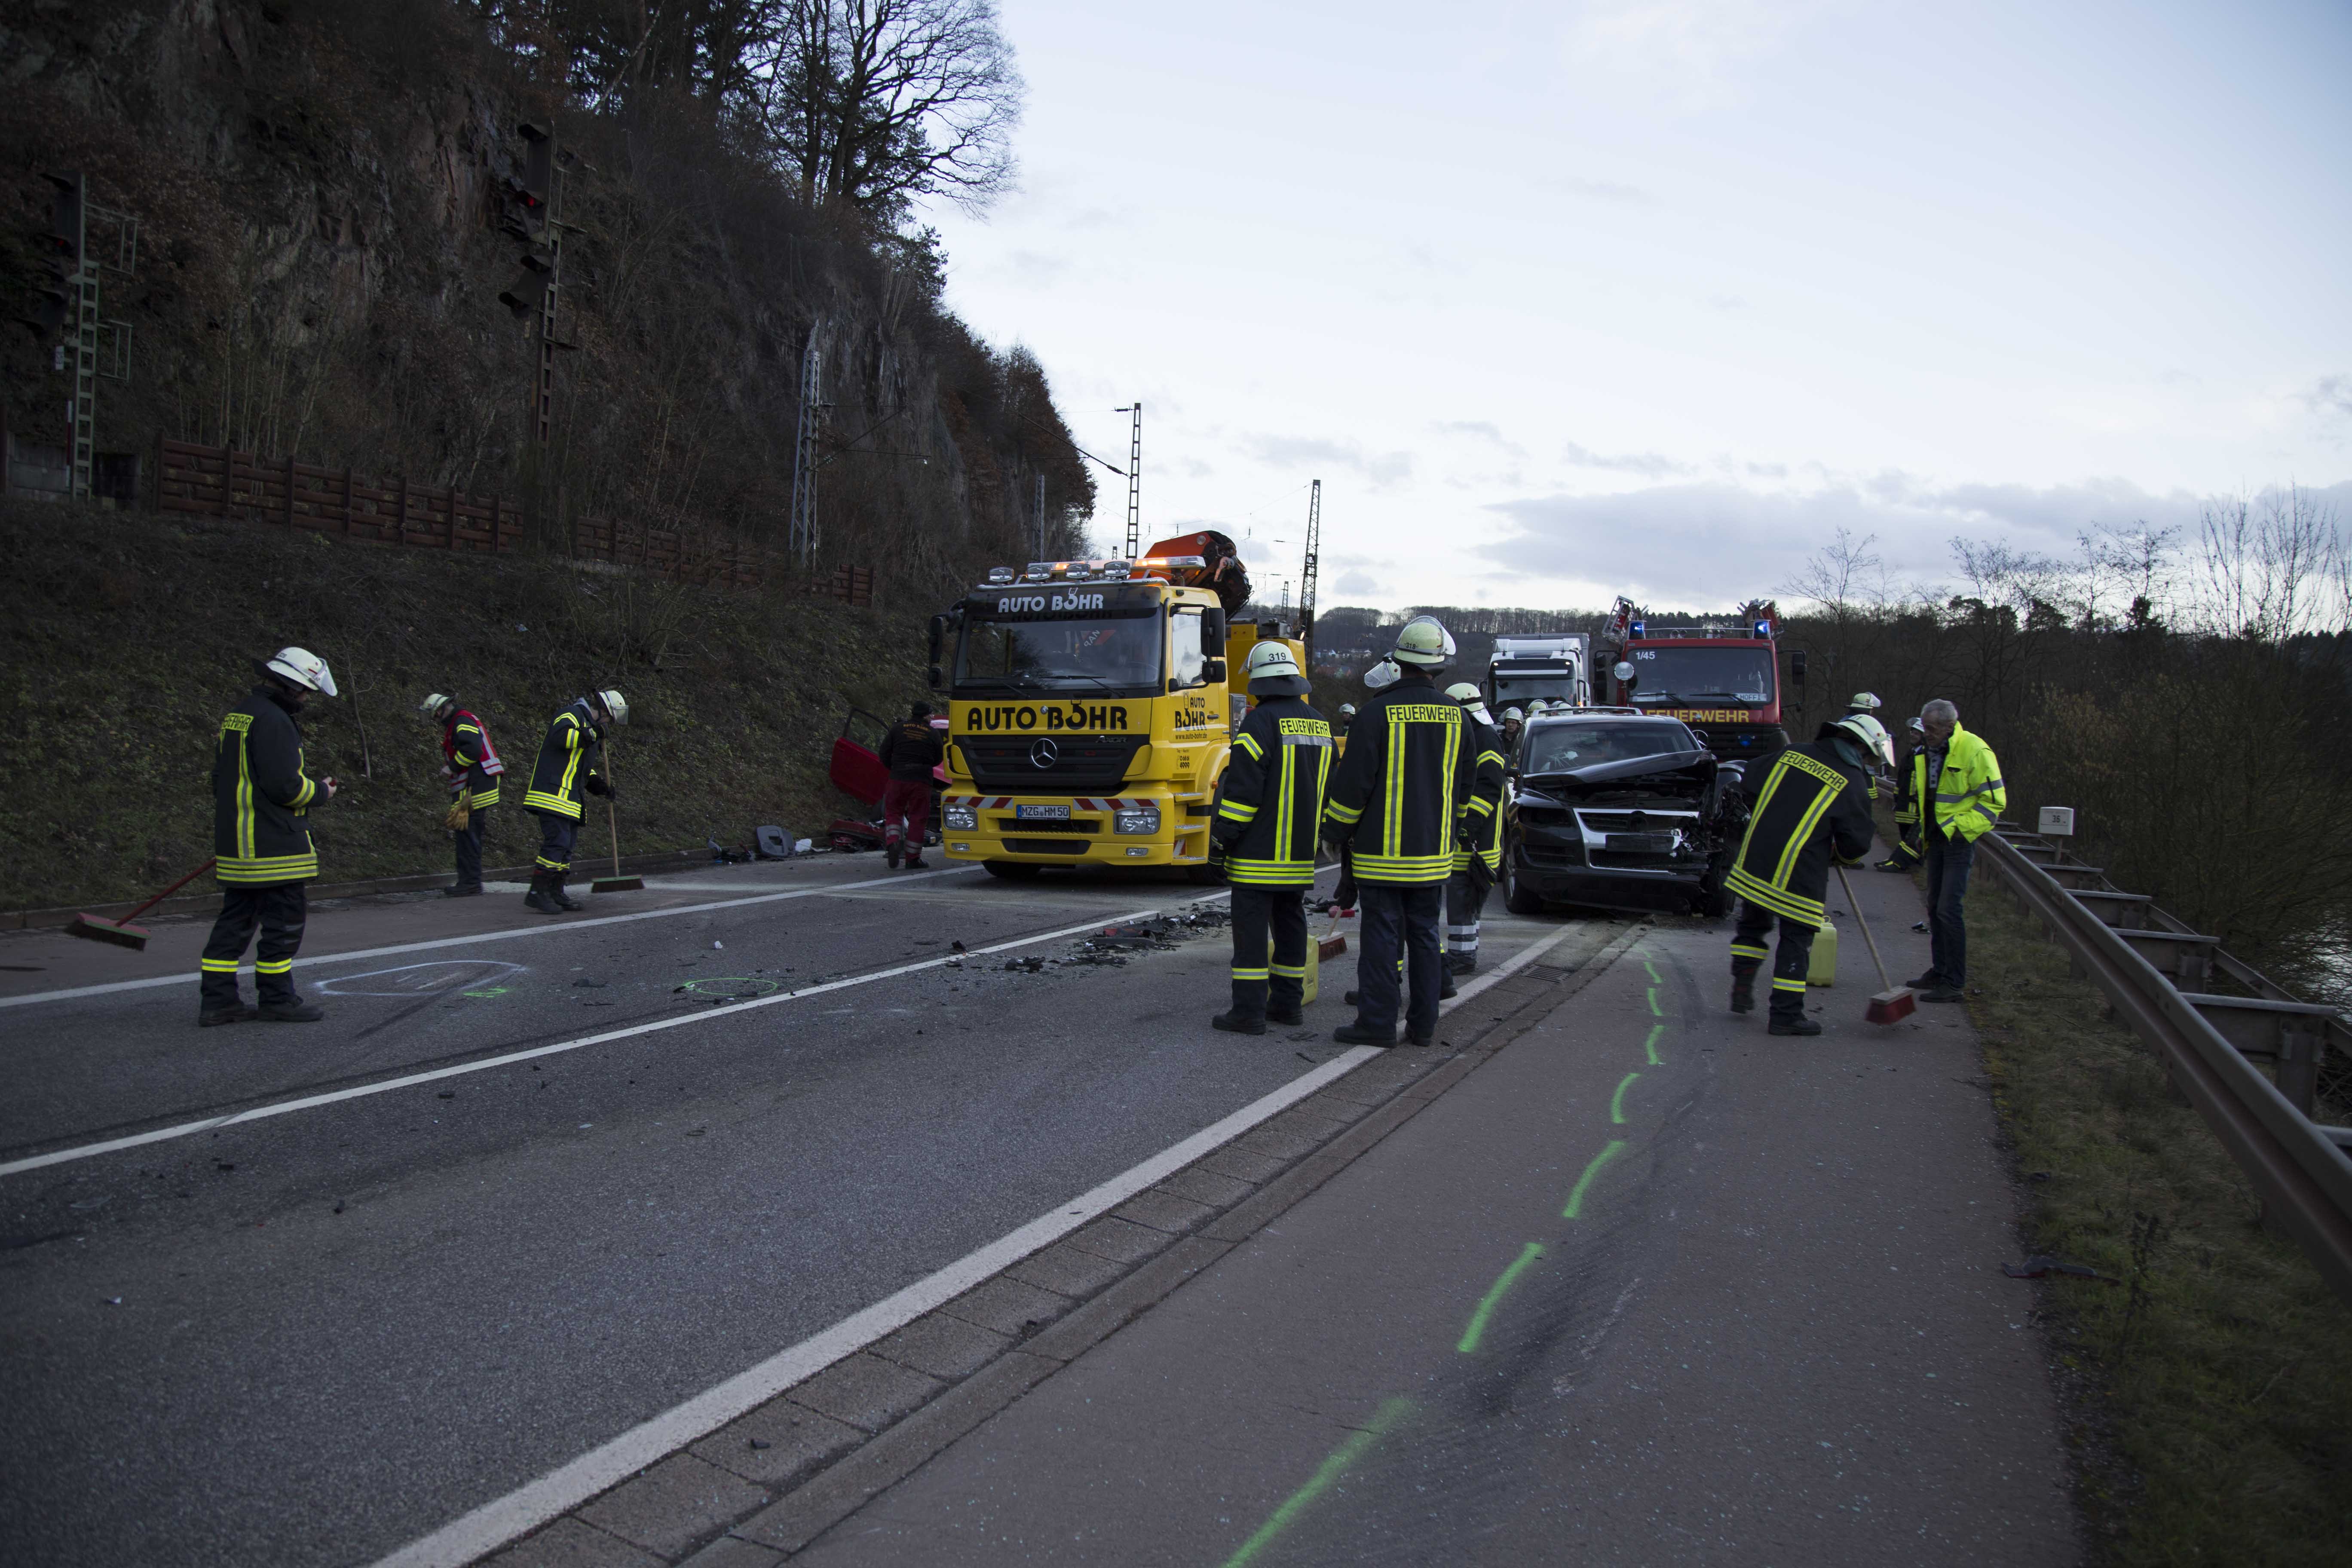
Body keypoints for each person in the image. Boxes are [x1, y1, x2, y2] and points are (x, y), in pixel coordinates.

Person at [1323, 618, 1476, 1047]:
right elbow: (1465, 788)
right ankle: (1423, 1027)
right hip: (1433, 855)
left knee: (1381, 940)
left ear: (1399, 660)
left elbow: (1353, 788)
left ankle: (1377, 1024)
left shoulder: (1375, 714)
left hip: (1380, 857)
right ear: (1438, 665)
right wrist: (1451, 829)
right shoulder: (1458, 717)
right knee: (1426, 937)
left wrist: (1334, 832)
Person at [199, 648, 339, 1026]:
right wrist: (322, 791)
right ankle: (277, 999)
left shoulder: (240, 715)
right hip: (274, 845)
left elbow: (221, 780)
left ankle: (218, 1002)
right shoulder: (276, 721)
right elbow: (286, 788)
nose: (307, 699)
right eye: (308, 691)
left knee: (234, 925)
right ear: (294, 687)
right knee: (283, 925)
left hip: (238, 843)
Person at [1725, 712, 1886, 1035]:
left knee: (1752, 925)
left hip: (1757, 859)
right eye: (1869, 756)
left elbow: (1749, 781)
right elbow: (1856, 844)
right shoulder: (1852, 780)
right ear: (1860, 747)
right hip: (1798, 873)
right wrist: (1839, 853)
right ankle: (1785, 1016)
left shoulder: (1791, 752)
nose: (1867, 762)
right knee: (1796, 940)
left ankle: (1742, 984)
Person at [1210, 642, 1333, 1034]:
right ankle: (1287, 1005)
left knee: (1250, 936)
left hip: (1257, 855)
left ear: (1259, 682)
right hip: (1299, 856)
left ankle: (1248, 1013)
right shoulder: (1320, 723)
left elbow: (1242, 796)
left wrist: (1222, 842)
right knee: (1291, 927)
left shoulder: (1259, 723)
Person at [1908, 698, 2004, 1002]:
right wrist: (1924, 831)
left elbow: (1994, 802)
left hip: (1959, 841)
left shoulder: (1974, 750)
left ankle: (1954, 983)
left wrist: (1961, 829)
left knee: (1949, 909)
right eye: (1925, 727)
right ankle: (1940, 971)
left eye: (1932, 728)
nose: (1927, 733)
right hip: (1936, 840)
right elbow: (1930, 798)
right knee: (1935, 906)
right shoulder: (1927, 752)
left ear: (1950, 726)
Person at [521, 688, 626, 915]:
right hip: (552, 794)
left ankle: (555, 892)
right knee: (557, 843)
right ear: (603, 711)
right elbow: (561, 737)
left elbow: (582, 769)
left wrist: (600, 786)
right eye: (609, 719)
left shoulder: (592, 731)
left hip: (569, 799)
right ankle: (537, 893)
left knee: (566, 848)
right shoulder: (571, 714)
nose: (609, 724)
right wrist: (593, 733)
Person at [1442, 681, 1507, 976]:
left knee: (1463, 902)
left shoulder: (1484, 739)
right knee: (1465, 903)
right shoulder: (1477, 735)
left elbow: (1487, 790)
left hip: (1475, 845)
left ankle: (1462, 957)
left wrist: (1466, 827)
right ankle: (1463, 953)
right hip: (1473, 843)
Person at [421, 692, 505, 897]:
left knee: (468, 834)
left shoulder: (462, 720)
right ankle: (469, 882)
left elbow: (473, 751)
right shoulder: (459, 721)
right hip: (474, 785)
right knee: (465, 833)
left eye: (435, 716)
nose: (435, 720)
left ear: (440, 711)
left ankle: (470, 883)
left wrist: (451, 767)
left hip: (477, 785)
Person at [878, 701, 946, 869]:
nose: (932, 717)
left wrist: (894, 768)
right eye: (931, 714)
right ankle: (913, 859)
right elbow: (939, 758)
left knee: (893, 812)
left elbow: (884, 752)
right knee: (918, 818)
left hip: (898, 777)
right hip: (921, 780)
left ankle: (893, 842)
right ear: (926, 715)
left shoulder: (898, 729)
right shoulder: (932, 733)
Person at [1876, 715, 1927, 872]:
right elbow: (1903, 780)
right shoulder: (1911, 753)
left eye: (1916, 733)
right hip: (1904, 805)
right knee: (1905, 837)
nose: (1912, 735)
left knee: (1913, 838)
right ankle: (1898, 860)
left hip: (1915, 807)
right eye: (1912, 732)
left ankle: (1909, 864)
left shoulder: (1925, 755)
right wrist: (1897, 800)